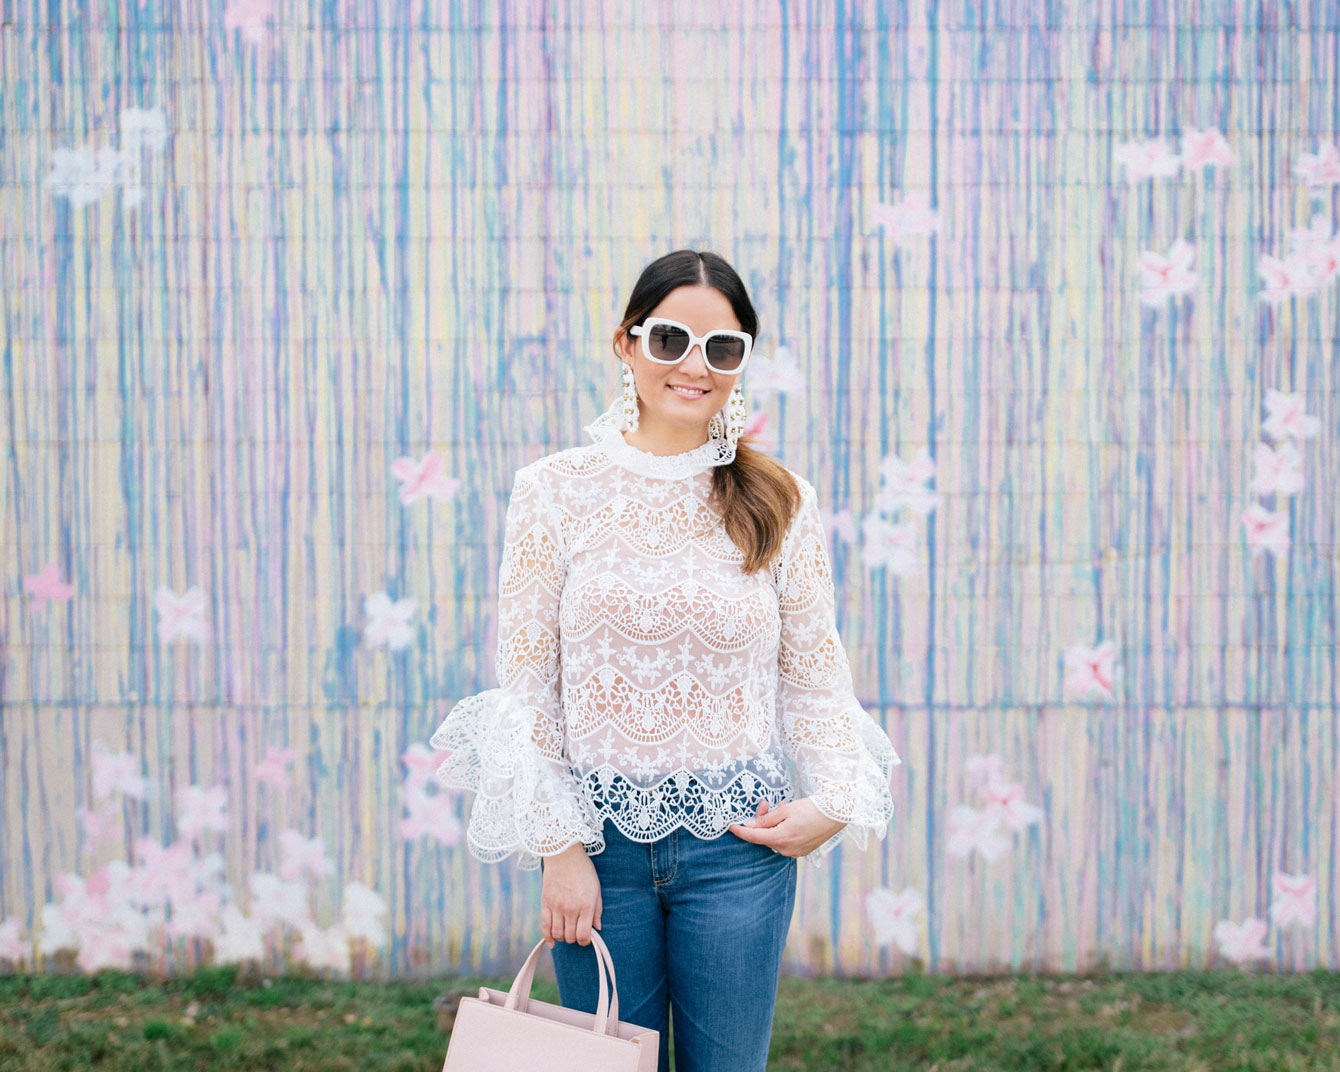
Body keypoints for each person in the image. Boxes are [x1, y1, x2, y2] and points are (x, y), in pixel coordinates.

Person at [431, 249, 900, 1072]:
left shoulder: (782, 499)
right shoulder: (554, 490)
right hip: (597, 854)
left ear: (743, 362)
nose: (695, 366)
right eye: (672, 339)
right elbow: (529, 690)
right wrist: (561, 850)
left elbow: (818, 682)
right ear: (626, 344)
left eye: (723, 348)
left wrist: (835, 801)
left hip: (738, 854)